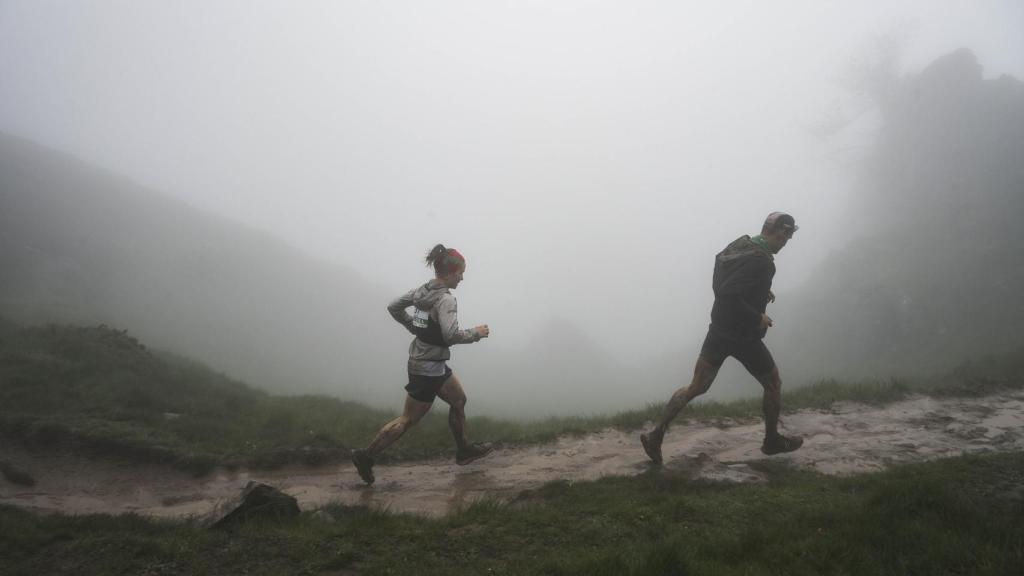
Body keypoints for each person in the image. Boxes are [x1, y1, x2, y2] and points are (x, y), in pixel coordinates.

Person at [641, 212, 804, 464]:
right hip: (744, 338)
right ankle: (771, 441)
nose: (787, 242)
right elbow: (729, 294)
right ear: (780, 232)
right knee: (773, 383)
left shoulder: (741, 245)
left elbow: (723, 284)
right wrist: (757, 317)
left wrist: (761, 289)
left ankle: (655, 435)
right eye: (787, 236)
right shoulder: (763, 262)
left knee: (696, 386)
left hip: (719, 331)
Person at [351, 244, 492, 485]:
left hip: (432, 363)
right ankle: (366, 456)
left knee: (459, 401)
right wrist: (476, 333)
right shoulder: (445, 299)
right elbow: (450, 335)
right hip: (427, 368)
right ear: (450, 273)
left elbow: (394, 307)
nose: (462, 278)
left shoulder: (421, 292)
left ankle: (464, 450)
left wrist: (413, 327)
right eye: (461, 273)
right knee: (408, 419)